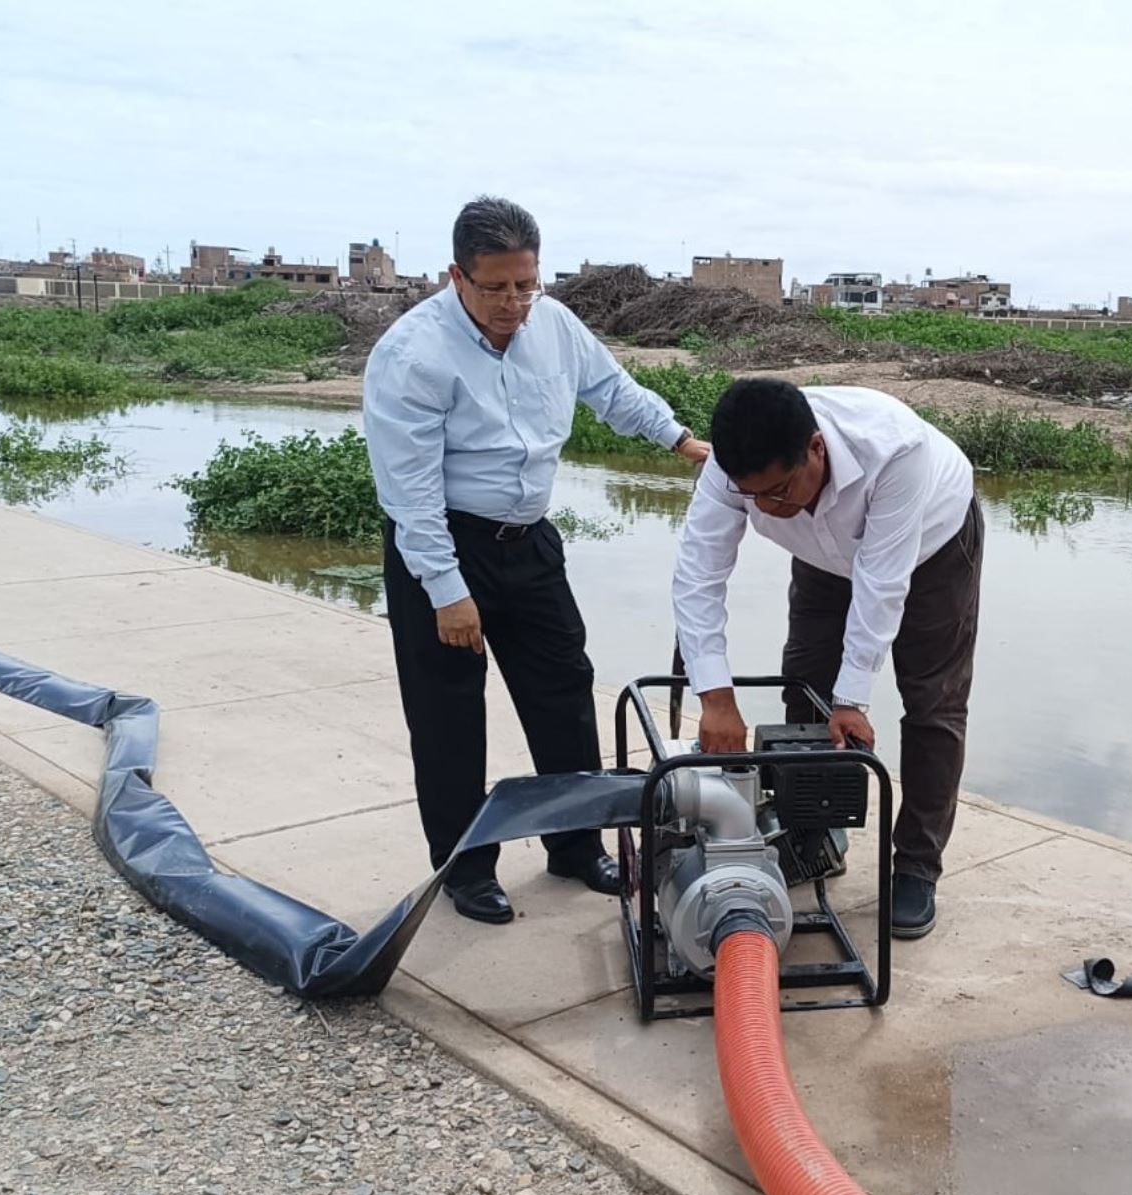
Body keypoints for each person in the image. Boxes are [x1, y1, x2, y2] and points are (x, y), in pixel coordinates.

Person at [363, 196, 709, 925]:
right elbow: (410, 492)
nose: (513, 303)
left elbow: (611, 389)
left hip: (530, 542)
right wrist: (447, 590)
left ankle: (575, 844)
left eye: (526, 284)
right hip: (446, 549)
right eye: (495, 287)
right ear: (456, 275)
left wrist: (679, 439)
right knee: (449, 713)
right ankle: (464, 866)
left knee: (564, 691)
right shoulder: (411, 353)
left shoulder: (553, 325)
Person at [672, 379, 982, 939]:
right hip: (822, 553)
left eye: (780, 491)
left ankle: (916, 866)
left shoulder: (894, 450)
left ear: (816, 449)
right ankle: (812, 836)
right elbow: (698, 575)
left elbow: (882, 583)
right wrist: (715, 696)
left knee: (932, 704)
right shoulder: (730, 467)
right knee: (804, 683)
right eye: (753, 496)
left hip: (931, 545)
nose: (768, 508)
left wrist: (853, 699)